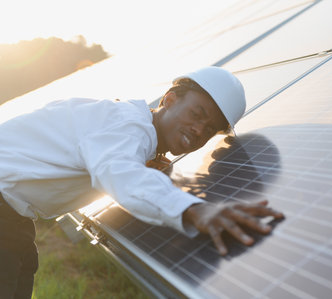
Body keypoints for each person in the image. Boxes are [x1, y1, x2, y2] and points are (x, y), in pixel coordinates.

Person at [0, 66, 284, 298]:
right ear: (169, 99)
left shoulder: (128, 130)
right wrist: (195, 209)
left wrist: (144, 162)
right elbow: (120, 173)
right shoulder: (127, 124)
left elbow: (116, 161)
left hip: (14, 217)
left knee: (19, 272)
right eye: (196, 114)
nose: (199, 130)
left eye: (209, 129)